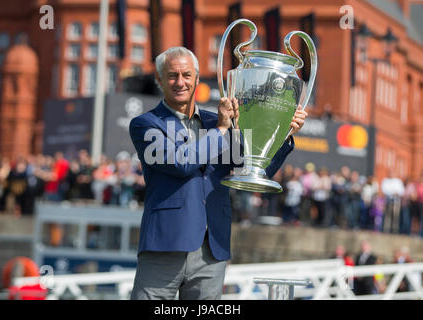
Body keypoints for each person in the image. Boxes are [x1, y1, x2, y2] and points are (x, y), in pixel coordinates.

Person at [128, 47, 308, 300]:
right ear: (159, 80)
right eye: (172, 76)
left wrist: (286, 136)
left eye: (187, 75)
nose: (180, 82)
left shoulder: (217, 122)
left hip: (212, 248)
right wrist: (222, 129)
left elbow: (256, 170)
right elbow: (181, 163)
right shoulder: (146, 124)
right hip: (164, 245)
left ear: (198, 78)